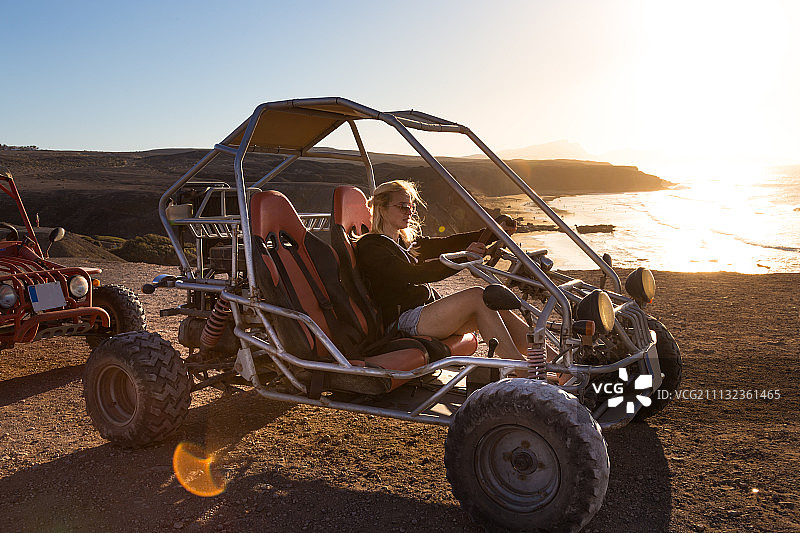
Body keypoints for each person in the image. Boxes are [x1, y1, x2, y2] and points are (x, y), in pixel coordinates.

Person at [355, 179, 530, 365]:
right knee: (477, 296)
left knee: (496, 307)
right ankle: (522, 369)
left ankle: (556, 364)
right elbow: (412, 274)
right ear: (381, 208)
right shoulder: (371, 246)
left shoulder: (404, 243)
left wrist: (495, 232)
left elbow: (448, 243)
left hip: (422, 315)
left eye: (411, 206)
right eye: (403, 206)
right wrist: (463, 258)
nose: (409, 212)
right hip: (401, 322)